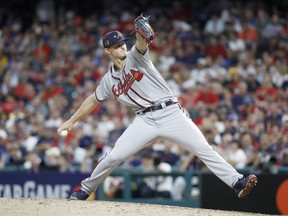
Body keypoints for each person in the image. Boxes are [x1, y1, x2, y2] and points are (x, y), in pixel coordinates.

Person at [57, 14, 257, 200]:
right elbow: (93, 99)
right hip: (144, 120)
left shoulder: (136, 56)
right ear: (108, 50)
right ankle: (86, 189)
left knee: (203, 148)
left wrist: (142, 34)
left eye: (123, 44)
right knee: (113, 157)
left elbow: (142, 43)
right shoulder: (108, 81)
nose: (122, 48)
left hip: (170, 113)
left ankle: (237, 181)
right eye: (117, 46)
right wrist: (72, 121)